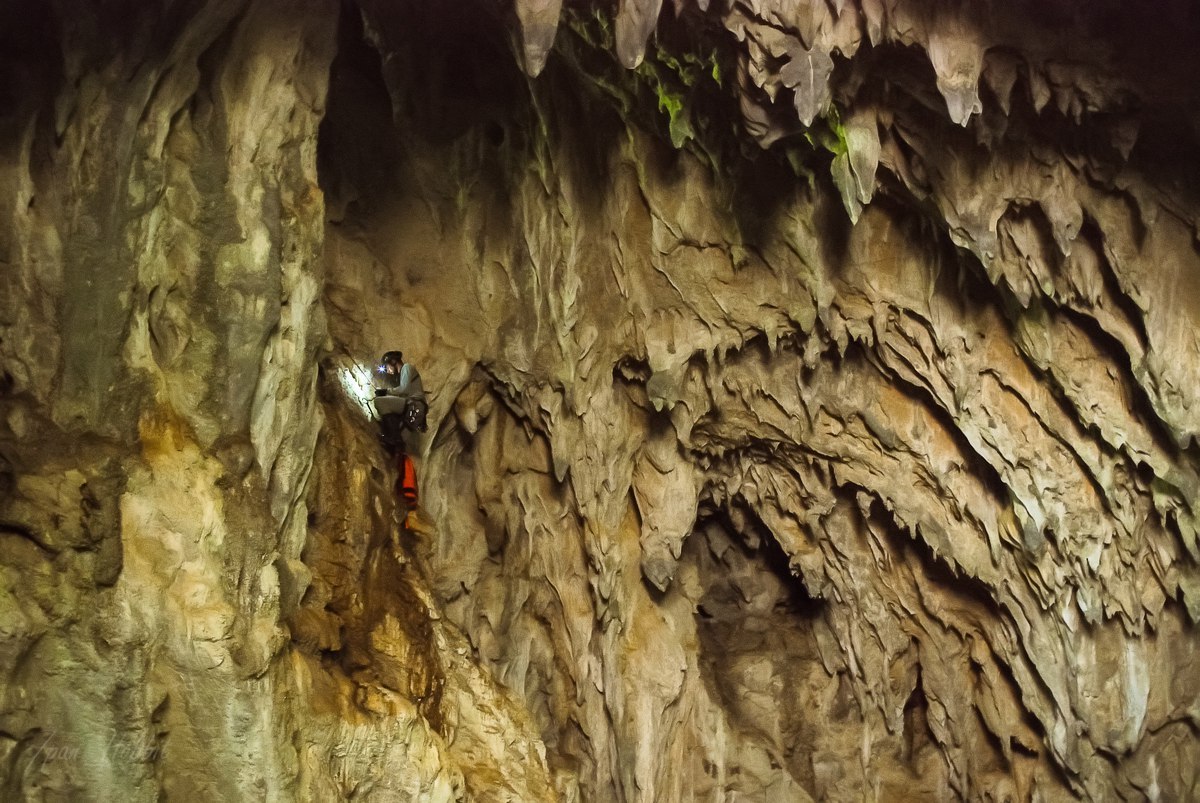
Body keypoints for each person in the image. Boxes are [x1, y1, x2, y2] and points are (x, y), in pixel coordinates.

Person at [372, 350, 428, 450]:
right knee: (399, 440)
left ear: (393, 362)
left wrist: (386, 391)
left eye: (387, 366)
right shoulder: (403, 374)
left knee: (379, 401)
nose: (388, 370)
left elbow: (404, 389)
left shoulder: (407, 367)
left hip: (414, 405)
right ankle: (393, 440)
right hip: (416, 410)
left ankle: (394, 438)